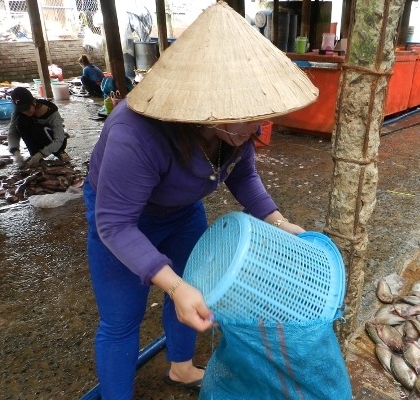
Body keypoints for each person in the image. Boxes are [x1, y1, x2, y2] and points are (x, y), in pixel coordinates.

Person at [83, 2, 318, 399]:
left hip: (182, 212)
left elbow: (244, 177)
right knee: (123, 317)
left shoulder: (237, 130)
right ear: (202, 112)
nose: (256, 127)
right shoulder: (135, 134)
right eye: (245, 120)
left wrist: (281, 223)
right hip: (124, 220)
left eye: (259, 116)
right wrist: (172, 286)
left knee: (198, 292)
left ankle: (181, 368)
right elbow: (115, 224)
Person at [8, 87, 70, 168]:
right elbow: (12, 132)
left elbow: (59, 139)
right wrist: (15, 151)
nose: (25, 112)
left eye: (27, 108)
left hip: (56, 141)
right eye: (22, 110)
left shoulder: (51, 112)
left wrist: (40, 154)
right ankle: (34, 154)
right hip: (38, 142)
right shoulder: (18, 114)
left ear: (34, 102)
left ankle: (60, 152)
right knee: (20, 122)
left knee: (36, 129)